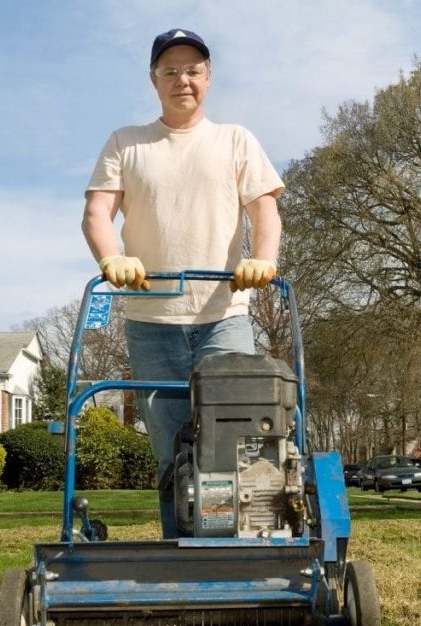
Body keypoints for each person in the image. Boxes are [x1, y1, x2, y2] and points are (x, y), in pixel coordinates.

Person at [81, 28, 284, 539]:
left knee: (238, 442)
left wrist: (261, 260)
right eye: (170, 71)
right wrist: (114, 258)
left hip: (224, 316)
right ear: (154, 80)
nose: (182, 80)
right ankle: (181, 551)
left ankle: (249, 549)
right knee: (172, 452)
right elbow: (96, 214)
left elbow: (266, 212)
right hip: (152, 322)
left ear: (208, 78)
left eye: (192, 70)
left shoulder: (235, 139)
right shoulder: (126, 143)